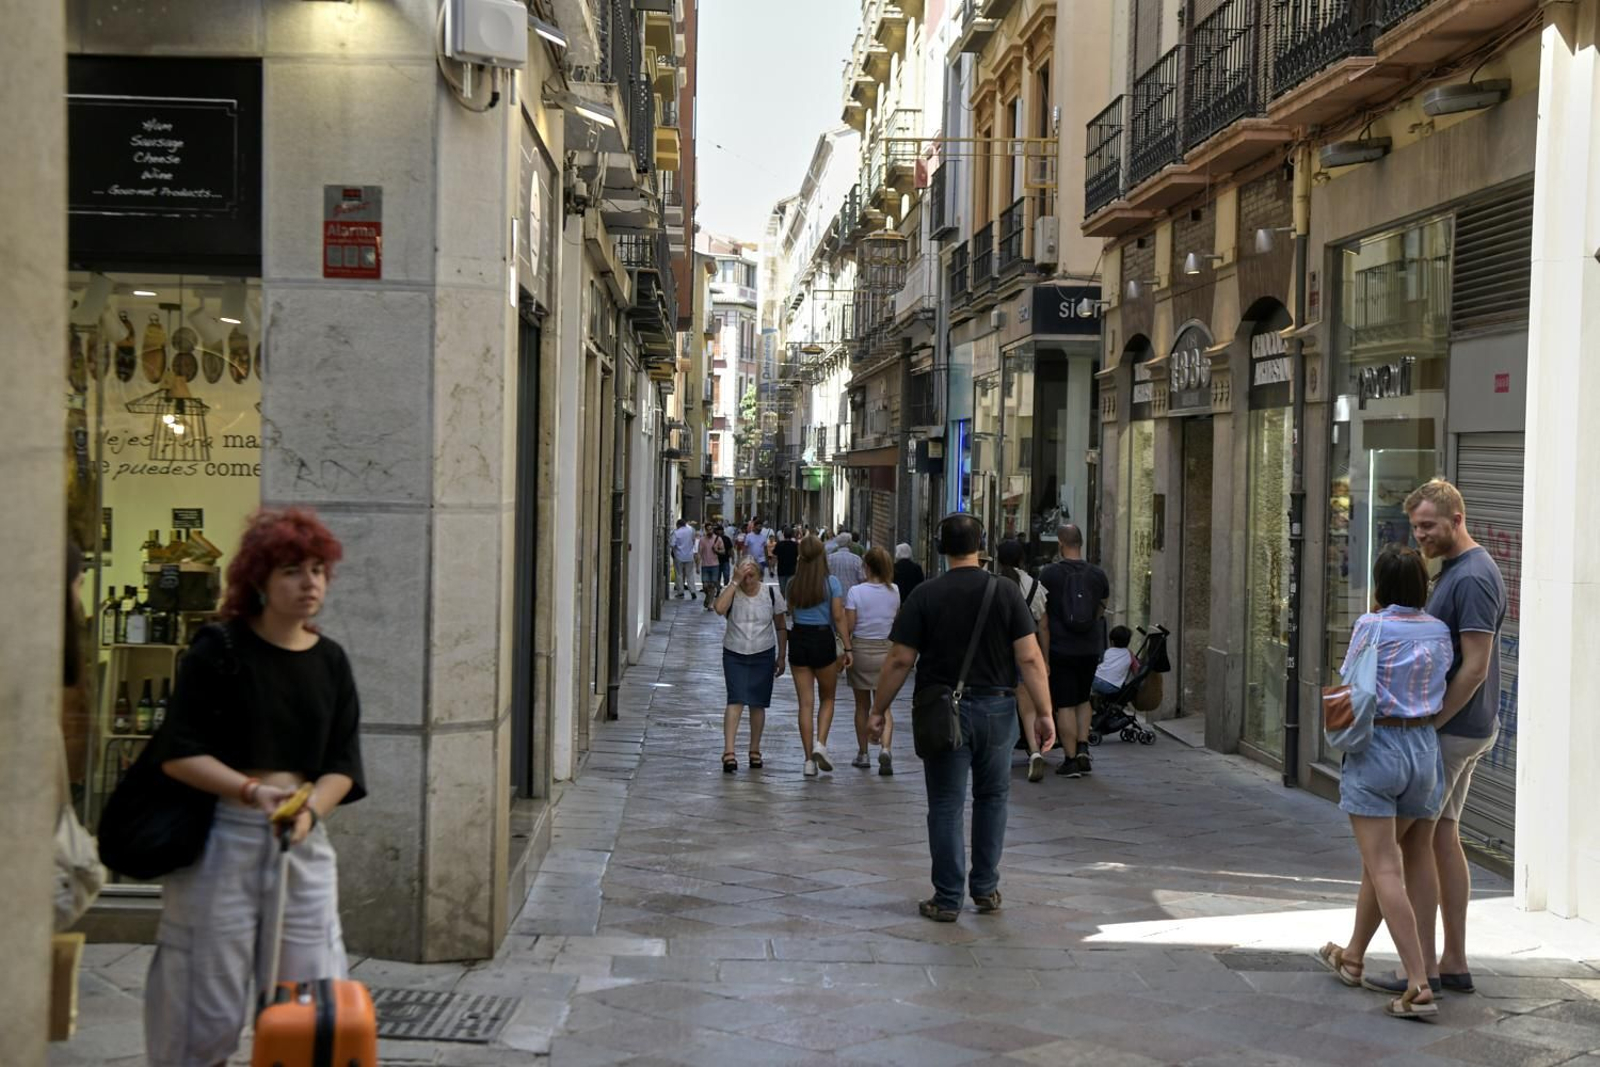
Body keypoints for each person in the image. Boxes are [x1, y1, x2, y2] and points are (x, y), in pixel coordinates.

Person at [145, 507, 366, 1066]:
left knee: (309, 1002)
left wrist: (309, 810)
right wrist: (251, 792)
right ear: (259, 581)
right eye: (292, 569)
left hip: (301, 838)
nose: (310, 581)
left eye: (318, 568)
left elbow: (344, 763)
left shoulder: (331, 661)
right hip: (224, 835)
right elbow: (179, 752)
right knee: (204, 1004)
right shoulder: (219, 651)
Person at [1336, 479, 1509, 997]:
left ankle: (1424, 971)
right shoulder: (1456, 572)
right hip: (1455, 729)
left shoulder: (1474, 575)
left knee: (1409, 852)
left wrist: (1427, 725)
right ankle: (1440, 960)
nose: (1421, 537)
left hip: (1451, 730)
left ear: (1457, 519)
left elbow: (1474, 668)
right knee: (1440, 839)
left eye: (1429, 526)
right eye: (1415, 527)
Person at [868, 513, 1056, 922]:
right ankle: (985, 889)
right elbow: (1030, 657)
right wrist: (1044, 713)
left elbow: (900, 659)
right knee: (993, 798)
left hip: (943, 711)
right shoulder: (1005, 592)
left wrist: (878, 709)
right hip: (999, 708)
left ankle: (948, 897)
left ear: (940, 548)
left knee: (947, 803)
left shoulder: (925, 595)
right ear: (981, 546)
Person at [1316, 544, 1449, 1020]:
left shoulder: (1370, 626)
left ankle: (1418, 983)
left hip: (1379, 748)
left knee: (1385, 867)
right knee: (1383, 863)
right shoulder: (1438, 629)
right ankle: (1353, 957)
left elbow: (1350, 680)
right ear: (1421, 585)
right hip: (1424, 751)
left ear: (1380, 585)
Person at [1038, 523, 1111, 777]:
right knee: (1083, 698)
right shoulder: (1098, 574)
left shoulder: (1049, 574)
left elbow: (1044, 621)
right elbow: (1102, 609)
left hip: (1061, 648)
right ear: (1081, 543)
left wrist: (1044, 656)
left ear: (1060, 543)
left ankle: (1070, 759)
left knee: (1066, 703)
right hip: (1089, 648)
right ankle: (1082, 748)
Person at [714, 558, 787, 773]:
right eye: (743, 576)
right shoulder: (733, 591)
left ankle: (755, 750)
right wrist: (734, 583)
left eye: (751, 576)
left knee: (758, 703)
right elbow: (719, 609)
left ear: (759, 575)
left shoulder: (771, 594)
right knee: (735, 699)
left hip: (763, 653)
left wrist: (781, 656)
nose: (747, 581)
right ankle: (729, 752)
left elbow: (781, 626)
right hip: (735, 651)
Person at [786, 535, 849, 777]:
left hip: (799, 638)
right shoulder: (831, 582)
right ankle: (820, 744)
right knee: (828, 698)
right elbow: (838, 615)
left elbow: (791, 610)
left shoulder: (793, 583)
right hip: (823, 639)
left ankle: (807, 761)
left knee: (805, 703)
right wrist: (847, 645)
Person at [843, 547, 902, 775]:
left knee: (862, 705)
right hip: (886, 650)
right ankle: (885, 748)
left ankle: (864, 752)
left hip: (861, 649)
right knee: (884, 705)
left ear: (866, 566)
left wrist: (846, 649)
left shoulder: (856, 592)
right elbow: (895, 619)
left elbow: (849, 626)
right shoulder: (894, 590)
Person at [997, 540, 1051, 783]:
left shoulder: (992, 584)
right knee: (1026, 705)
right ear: (1022, 559)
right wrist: (1045, 659)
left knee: (995, 703)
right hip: (1024, 651)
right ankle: (1034, 749)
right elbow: (1043, 625)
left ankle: (998, 753)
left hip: (995, 653)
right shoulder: (1034, 586)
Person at [1093, 626, 1136, 697]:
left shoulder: (1107, 651)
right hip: (1111, 687)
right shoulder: (1130, 654)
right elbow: (1136, 671)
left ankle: (1096, 696)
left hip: (1095, 681)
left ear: (1112, 642)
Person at [826, 531, 866, 598]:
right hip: (852, 596)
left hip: (834, 596)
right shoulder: (856, 559)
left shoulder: (829, 558)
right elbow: (862, 578)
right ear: (850, 543)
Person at [697, 521, 723, 609]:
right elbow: (699, 553)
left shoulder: (718, 539)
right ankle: (708, 597)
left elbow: (723, 551)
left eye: (711, 529)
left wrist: (717, 550)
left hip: (715, 565)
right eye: (708, 530)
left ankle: (710, 603)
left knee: (712, 585)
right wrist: (697, 566)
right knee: (705, 586)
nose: (710, 531)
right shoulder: (702, 540)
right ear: (705, 530)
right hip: (705, 565)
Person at [670, 518, 697, 598]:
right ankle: (692, 591)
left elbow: (672, 544)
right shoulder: (691, 530)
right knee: (690, 574)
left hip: (679, 557)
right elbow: (693, 540)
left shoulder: (676, 532)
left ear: (678, 525)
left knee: (679, 574)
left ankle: (681, 592)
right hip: (689, 556)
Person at [774, 526, 801, 598]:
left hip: (781, 570)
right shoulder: (795, 545)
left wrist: (773, 567)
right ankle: (789, 606)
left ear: (783, 534)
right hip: (792, 570)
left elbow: (775, 556)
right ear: (792, 534)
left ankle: (783, 604)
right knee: (791, 590)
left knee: (783, 590)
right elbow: (799, 557)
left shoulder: (779, 544)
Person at [715, 521, 733, 588]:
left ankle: (725, 587)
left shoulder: (726, 539)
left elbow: (730, 549)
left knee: (726, 575)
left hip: (725, 560)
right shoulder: (714, 539)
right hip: (716, 561)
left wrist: (732, 557)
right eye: (718, 530)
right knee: (717, 576)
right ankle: (718, 589)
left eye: (721, 530)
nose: (720, 532)